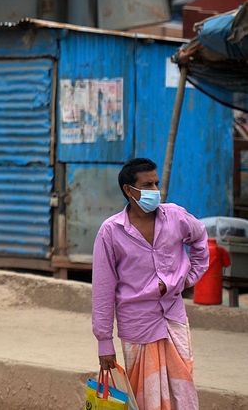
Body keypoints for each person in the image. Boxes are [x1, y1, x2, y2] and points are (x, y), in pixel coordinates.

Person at [93, 158, 209, 409]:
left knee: (183, 393)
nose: (155, 190)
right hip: (136, 326)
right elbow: (103, 290)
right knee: (144, 398)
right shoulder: (110, 232)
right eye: (148, 185)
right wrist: (104, 342)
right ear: (129, 190)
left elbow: (200, 239)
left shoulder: (176, 217)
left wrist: (188, 279)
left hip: (174, 320)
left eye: (156, 183)